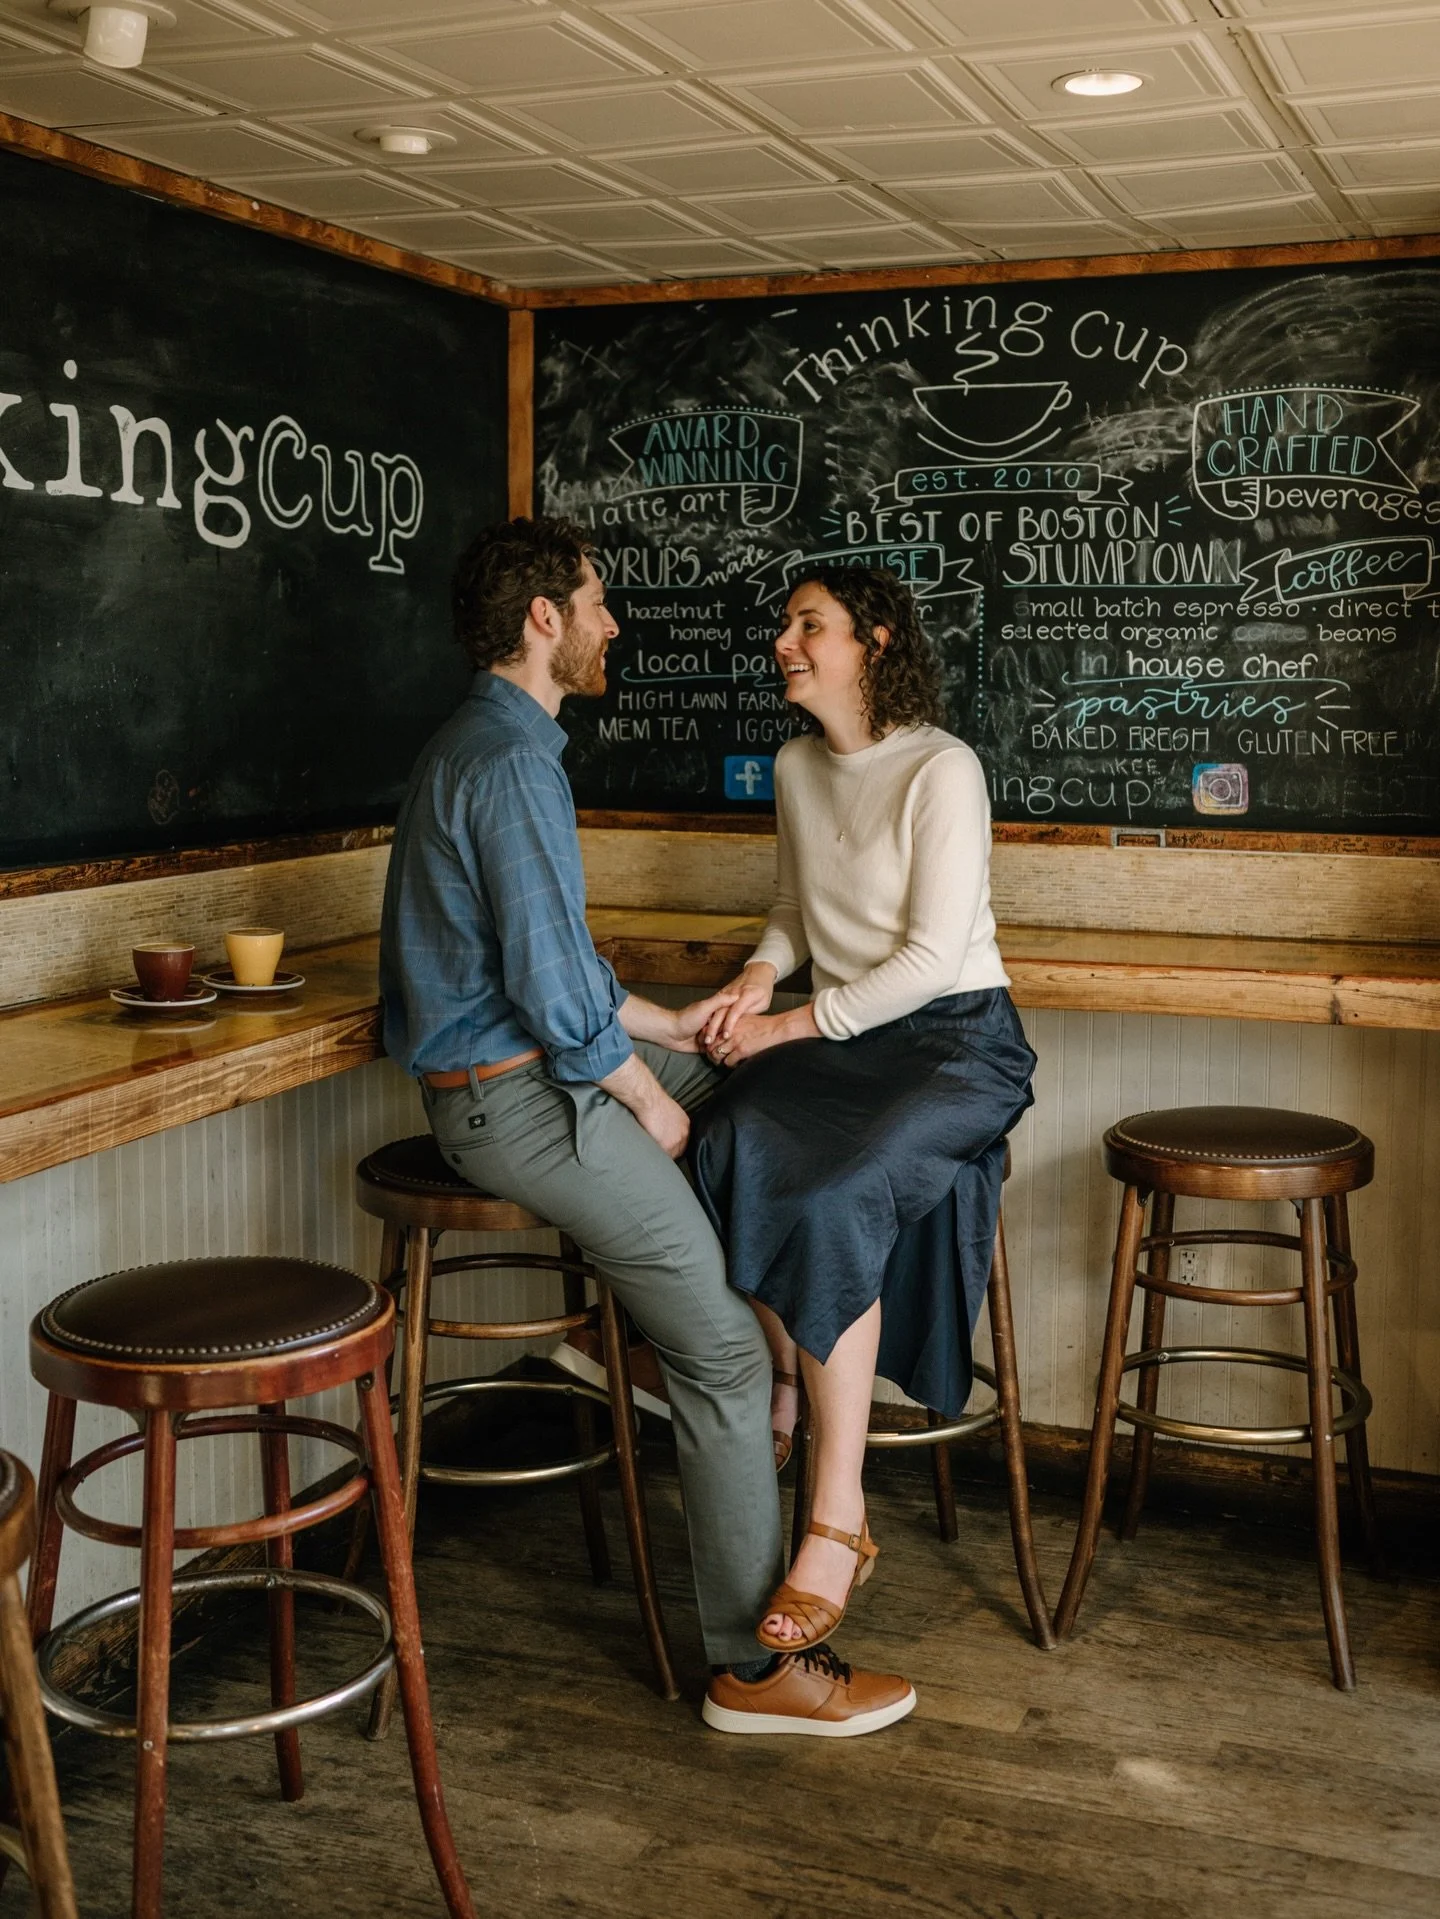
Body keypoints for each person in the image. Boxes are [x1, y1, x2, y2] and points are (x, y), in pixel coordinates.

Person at [380, 517, 915, 1737]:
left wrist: (676, 1028)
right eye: (597, 601)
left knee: (769, 1103)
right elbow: (552, 999)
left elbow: (558, 965)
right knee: (720, 1353)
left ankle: (654, 1331)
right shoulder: (509, 763)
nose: (613, 622)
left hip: (531, 1071)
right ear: (545, 620)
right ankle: (753, 1668)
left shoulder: (494, 743)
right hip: (518, 1103)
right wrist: (644, 1090)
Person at [693, 565, 1036, 1656]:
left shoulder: (943, 767)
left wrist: (786, 1027)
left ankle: (837, 1516)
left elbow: (932, 958)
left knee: (836, 1189)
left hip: (957, 1043)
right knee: (720, 1137)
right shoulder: (797, 765)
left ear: (874, 642)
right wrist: (759, 975)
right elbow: (794, 908)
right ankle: (786, 1375)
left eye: (811, 625)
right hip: (849, 1040)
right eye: (786, 626)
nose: (785, 643)